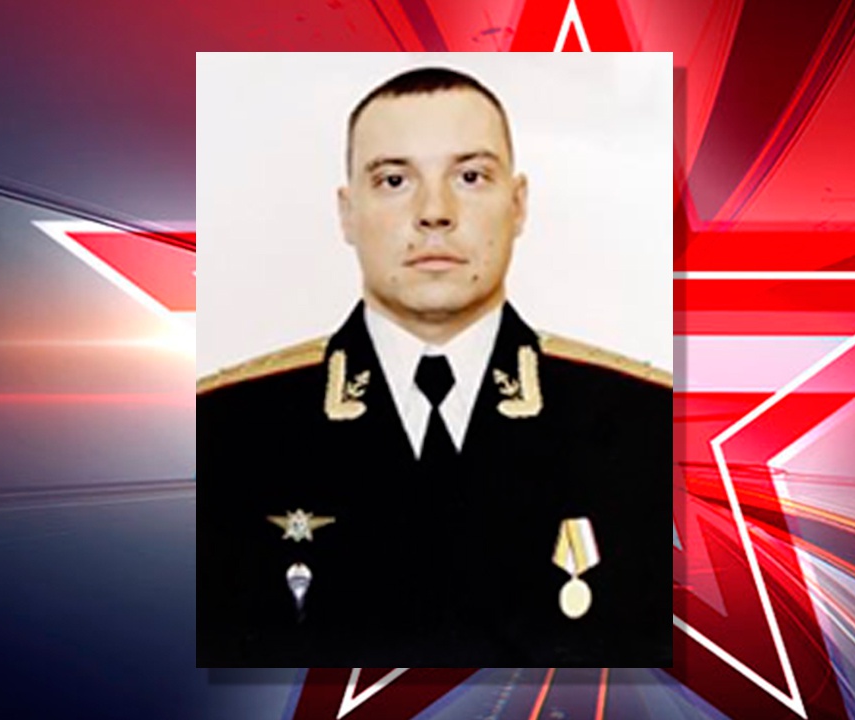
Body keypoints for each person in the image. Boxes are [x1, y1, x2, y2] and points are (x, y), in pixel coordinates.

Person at [197, 66, 672, 667]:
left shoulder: (649, 424)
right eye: (394, 180)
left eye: (470, 177)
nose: (434, 212)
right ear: (347, 213)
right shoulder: (221, 431)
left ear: (518, 205)